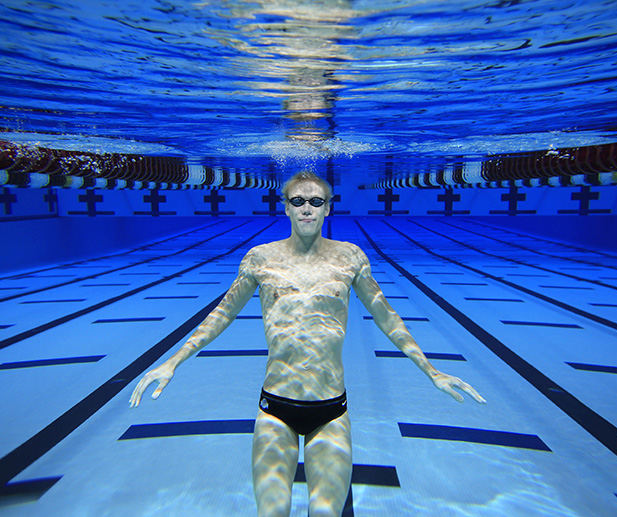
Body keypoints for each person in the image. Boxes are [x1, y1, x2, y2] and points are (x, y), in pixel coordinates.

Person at [130, 171, 485, 516]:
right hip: (275, 408)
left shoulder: (350, 258)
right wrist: (173, 361)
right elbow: (221, 315)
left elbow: (387, 317)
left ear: (328, 207)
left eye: (316, 201)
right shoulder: (260, 259)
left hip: (330, 409)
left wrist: (431, 370)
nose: (306, 208)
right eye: (298, 201)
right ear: (285, 206)